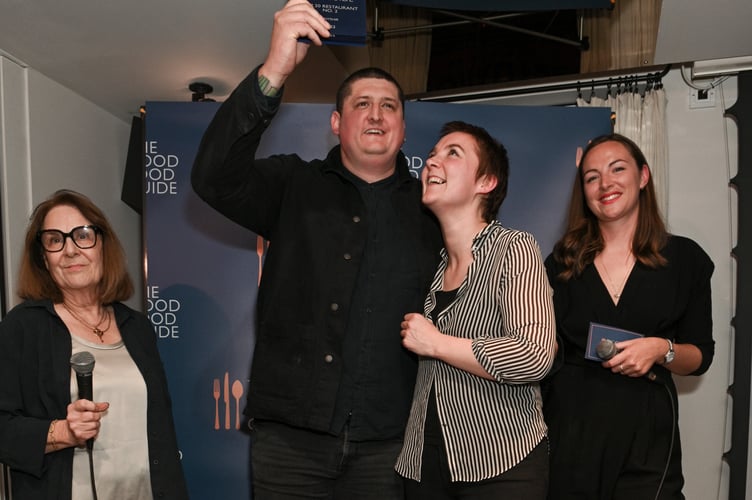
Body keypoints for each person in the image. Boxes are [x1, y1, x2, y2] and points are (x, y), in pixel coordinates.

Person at [190, 1, 442, 498]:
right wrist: (275, 70)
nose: (375, 114)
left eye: (389, 105)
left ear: (404, 130)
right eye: (361, 104)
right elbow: (213, 178)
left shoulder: (433, 211)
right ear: (335, 122)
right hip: (290, 443)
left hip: (389, 447)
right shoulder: (293, 185)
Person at [542, 133, 715, 499]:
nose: (605, 183)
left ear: (643, 176)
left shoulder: (686, 260)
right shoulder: (560, 263)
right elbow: (544, 350)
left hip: (647, 435)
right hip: (572, 431)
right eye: (591, 177)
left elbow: (700, 357)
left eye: (617, 169)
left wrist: (661, 349)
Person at [394, 121, 556, 499]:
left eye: (452, 154)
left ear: (487, 182)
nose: (433, 162)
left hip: (501, 462)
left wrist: (436, 343)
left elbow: (534, 355)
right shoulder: (432, 265)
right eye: (432, 155)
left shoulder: (514, 248)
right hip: (423, 465)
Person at [0, 189, 188, 500]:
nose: (70, 250)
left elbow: (164, 437)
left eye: (82, 235)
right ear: (44, 259)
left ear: (103, 246)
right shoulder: (23, 327)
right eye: (54, 240)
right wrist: (62, 432)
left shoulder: (138, 328)